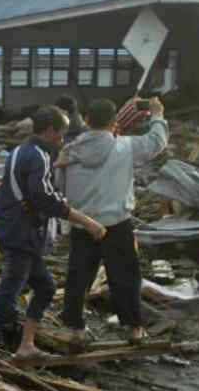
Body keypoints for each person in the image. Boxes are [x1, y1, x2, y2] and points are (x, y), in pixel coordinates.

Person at [0, 106, 108, 380]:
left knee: (46, 287)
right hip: (22, 237)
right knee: (6, 298)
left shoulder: (20, 150)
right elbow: (46, 199)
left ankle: (26, 347)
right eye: (62, 135)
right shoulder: (38, 156)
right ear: (50, 131)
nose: (63, 140)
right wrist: (87, 221)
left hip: (17, 232)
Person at [56, 97, 169, 346]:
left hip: (82, 223)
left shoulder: (69, 151)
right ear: (114, 121)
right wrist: (158, 114)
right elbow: (157, 142)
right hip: (116, 223)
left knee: (78, 277)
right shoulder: (125, 147)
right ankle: (134, 328)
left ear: (86, 119)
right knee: (125, 276)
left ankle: (74, 327)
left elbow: (59, 188)